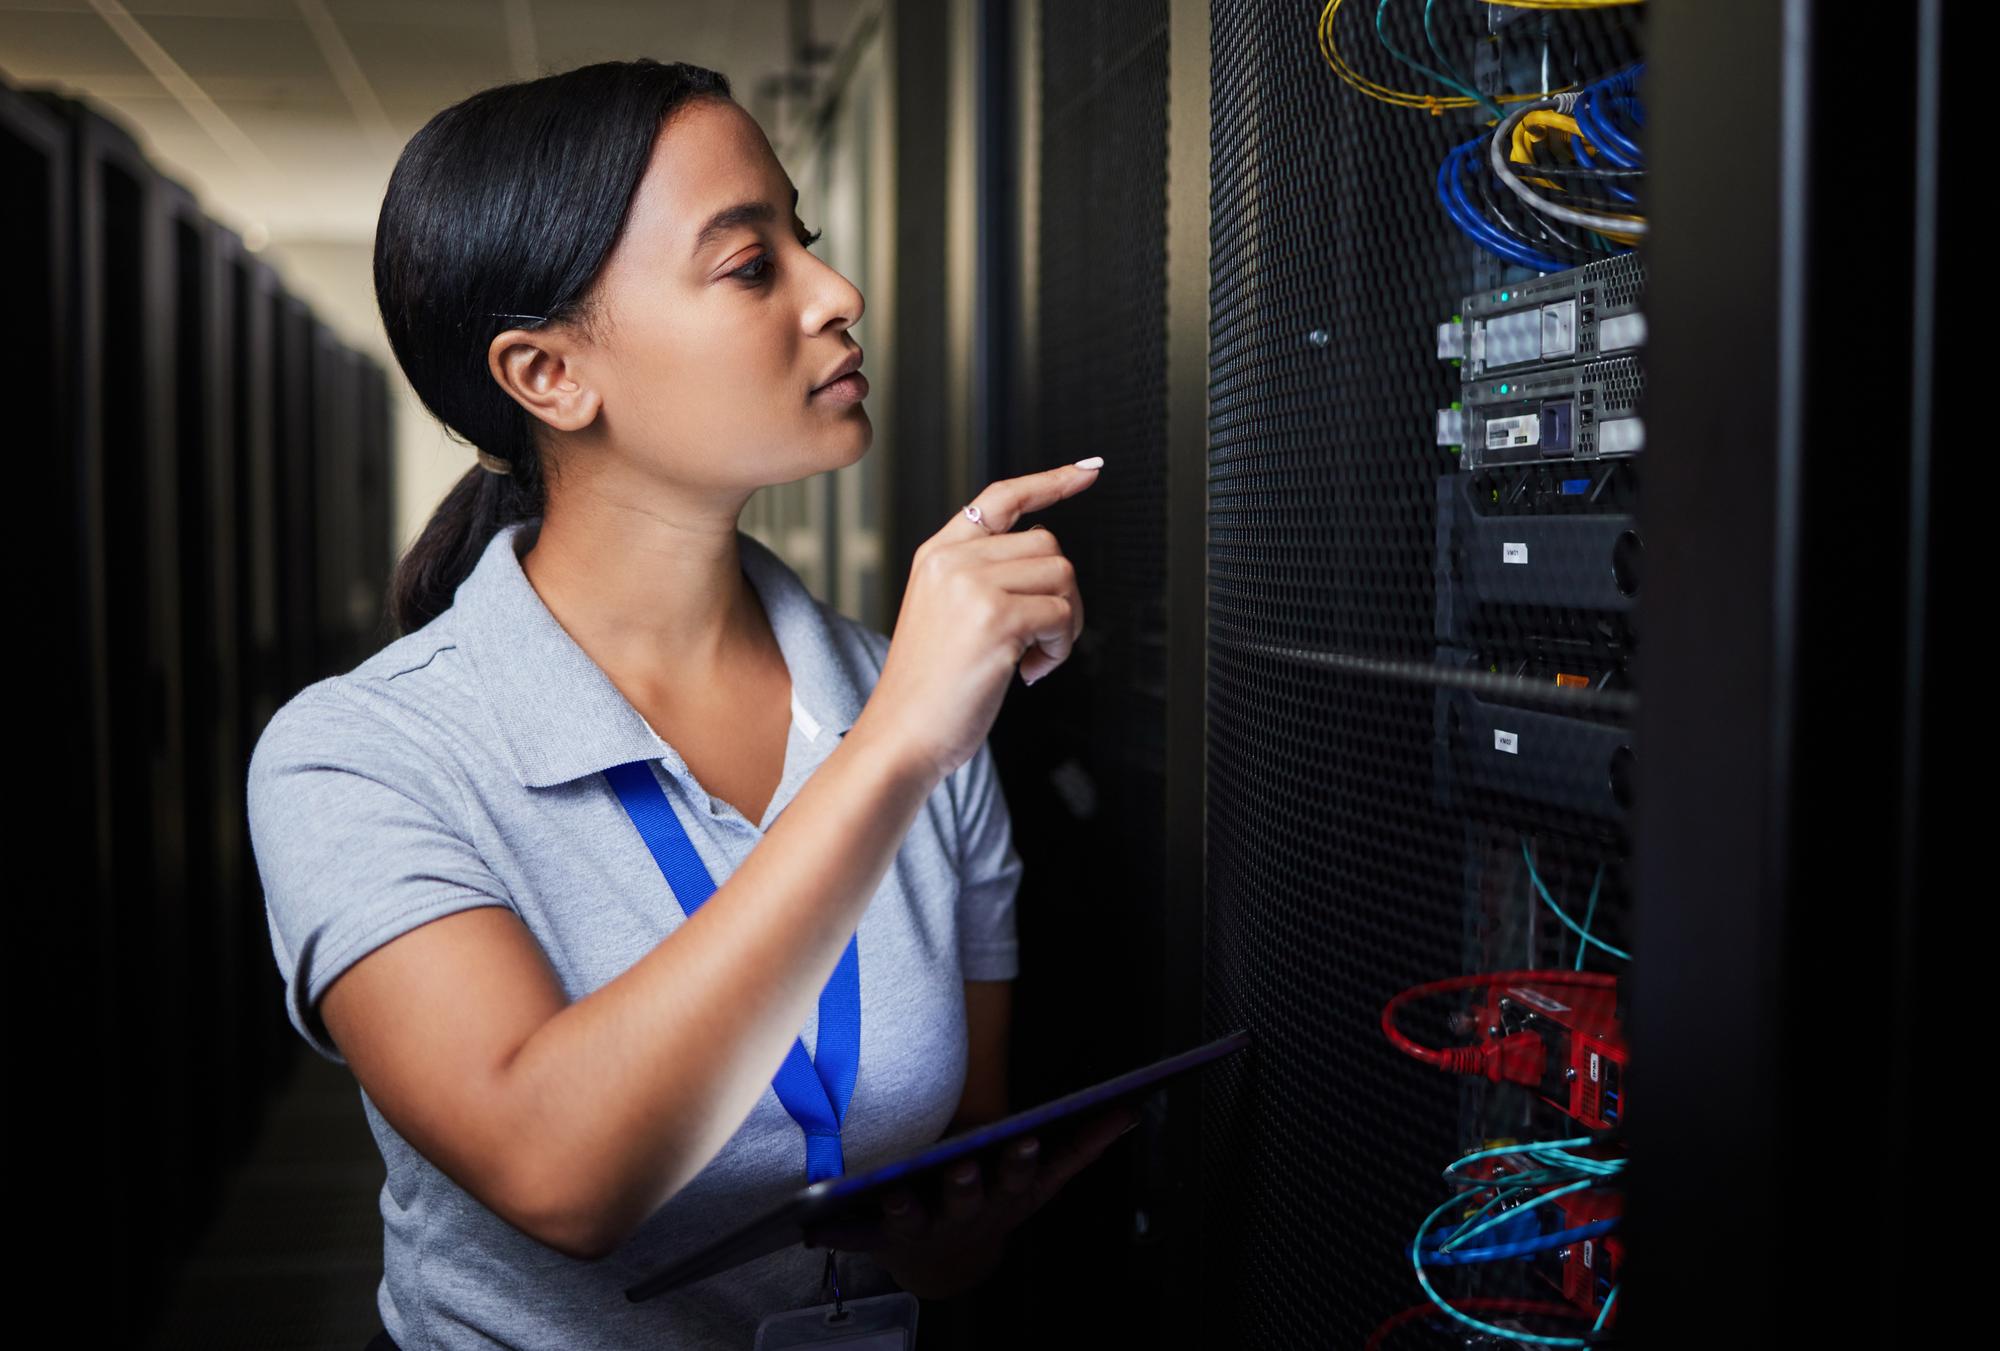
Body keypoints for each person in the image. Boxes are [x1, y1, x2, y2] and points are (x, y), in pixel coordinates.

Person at [245, 57, 1124, 1351]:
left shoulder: (914, 702)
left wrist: (956, 1238)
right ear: (549, 377)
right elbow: (562, 1174)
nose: (840, 296)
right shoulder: (361, 758)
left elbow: (957, 1182)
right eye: (750, 264)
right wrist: (892, 749)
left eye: (805, 245)